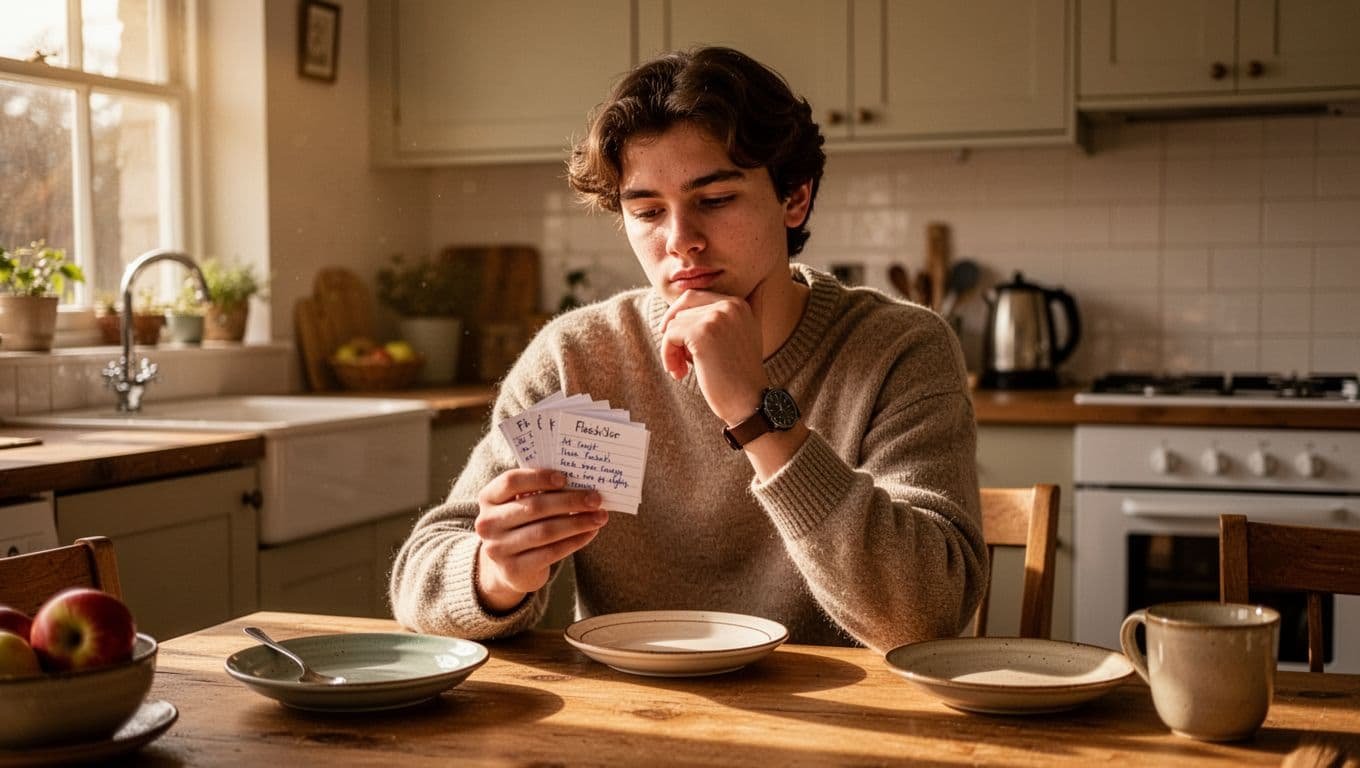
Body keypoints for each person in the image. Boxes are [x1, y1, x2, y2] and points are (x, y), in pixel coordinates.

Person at [390, 46, 987, 651]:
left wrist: (757, 413)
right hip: (630, 718)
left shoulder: (901, 348)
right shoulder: (576, 356)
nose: (681, 241)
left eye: (716, 199)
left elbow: (926, 617)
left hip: (841, 724)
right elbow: (421, 574)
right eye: (647, 210)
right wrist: (495, 576)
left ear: (794, 198)